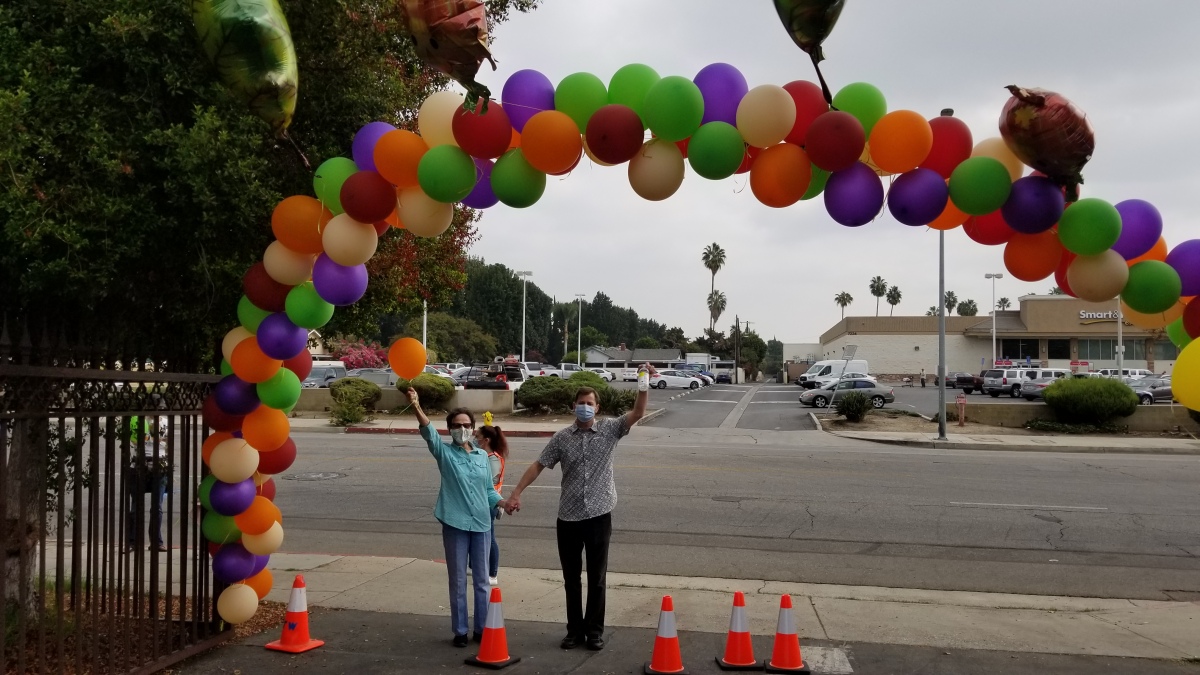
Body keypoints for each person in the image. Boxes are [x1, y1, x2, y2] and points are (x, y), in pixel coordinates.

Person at [504, 365, 655, 652]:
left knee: (597, 578)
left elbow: (637, 413)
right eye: (581, 403)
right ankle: (574, 631)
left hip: (599, 515)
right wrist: (516, 493)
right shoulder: (562, 438)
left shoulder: (610, 429)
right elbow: (539, 464)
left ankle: (594, 631)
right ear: (573, 406)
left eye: (590, 403)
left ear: (597, 408)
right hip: (569, 517)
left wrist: (643, 383)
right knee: (571, 578)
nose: (585, 407)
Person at [407, 388, 506, 648]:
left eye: (466, 425)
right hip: (455, 522)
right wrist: (417, 405)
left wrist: (502, 502)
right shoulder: (445, 453)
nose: (461, 429)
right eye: (456, 425)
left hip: (482, 523)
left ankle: (482, 629)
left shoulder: (482, 456)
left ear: (473, 428)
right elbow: (429, 433)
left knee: (483, 580)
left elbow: (488, 490)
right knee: (459, 579)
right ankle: (460, 630)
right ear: (449, 428)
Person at [126, 413, 169, 552]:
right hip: (139, 464)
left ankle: (156, 541)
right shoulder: (137, 420)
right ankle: (133, 541)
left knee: (157, 507)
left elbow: (167, 442)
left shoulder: (165, 421)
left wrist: (155, 439)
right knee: (136, 506)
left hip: (159, 464)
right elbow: (134, 441)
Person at [473, 424, 507, 585]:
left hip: (489, 504)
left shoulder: (493, 459)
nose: (474, 439)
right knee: (475, 536)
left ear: (485, 440)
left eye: (477, 437)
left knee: (489, 538)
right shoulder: (482, 455)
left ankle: (492, 573)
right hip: (479, 503)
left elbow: (484, 483)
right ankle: (473, 565)